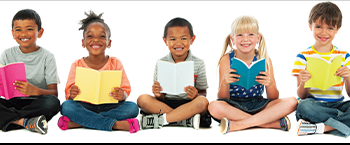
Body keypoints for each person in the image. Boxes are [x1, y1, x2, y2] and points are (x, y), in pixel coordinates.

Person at [208, 15, 298, 134]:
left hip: (258, 104)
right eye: (240, 35)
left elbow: (273, 97)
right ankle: (269, 123)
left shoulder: (264, 59)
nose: (245, 39)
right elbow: (223, 98)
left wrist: (270, 84)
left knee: (292, 101)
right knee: (213, 106)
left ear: (258, 38)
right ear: (233, 39)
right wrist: (225, 83)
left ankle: (239, 124)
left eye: (250, 34)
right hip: (234, 106)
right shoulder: (226, 60)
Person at [57, 10, 139, 133]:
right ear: (83, 42)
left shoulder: (115, 63)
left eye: (102, 36)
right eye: (90, 36)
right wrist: (72, 93)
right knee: (66, 107)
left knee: (133, 108)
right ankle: (116, 125)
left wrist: (122, 95)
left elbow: (125, 91)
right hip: (85, 106)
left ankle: (79, 122)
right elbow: (69, 95)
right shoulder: (77, 64)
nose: (96, 40)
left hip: (110, 106)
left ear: (109, 43)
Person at [137, 17, 211, 130]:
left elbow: (203, 93)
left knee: (203, 102)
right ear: (165, 41)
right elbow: (161, 96)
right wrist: (158, 94)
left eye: (183, 38)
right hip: (165, 104)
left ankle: (162, 120)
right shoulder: (161, 63)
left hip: (188, 104)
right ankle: (185, 120)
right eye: (172, 39)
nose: (178, 43)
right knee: (142, 99)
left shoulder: (199, 63)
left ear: (192, 39)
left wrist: (196, 95)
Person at [292, 2, 350, 137]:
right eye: (318, 27)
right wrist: (303, 82)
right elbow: (302, 96)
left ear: (337, 30)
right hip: (314, 105)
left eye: (330, 28)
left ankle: (320, 128)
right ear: (310, 26)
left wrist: (348, 77)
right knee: (303, 107)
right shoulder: (303, 57)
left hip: (337, 104)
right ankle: (341, 121)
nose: (324, 32)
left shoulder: (344, 56)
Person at [0, 9, 61, 135]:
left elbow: (54, 93)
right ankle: (25, 122)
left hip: (37, 103)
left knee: (53, 103)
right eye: (18, 30)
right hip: (12, 102)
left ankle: (10, 119)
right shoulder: (6, 54)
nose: (23, 34)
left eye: (29, 29)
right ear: (12, 33)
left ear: (40, 32)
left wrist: (35, 91)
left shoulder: (47, 57)